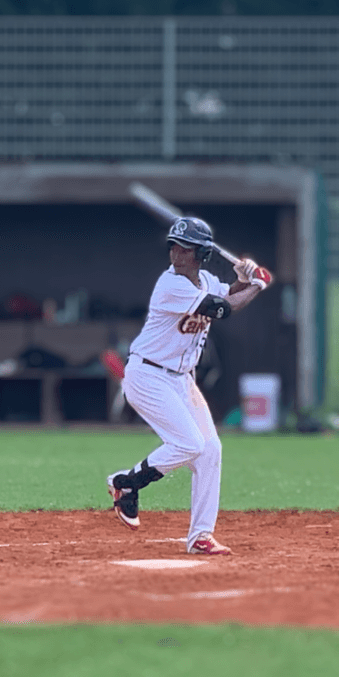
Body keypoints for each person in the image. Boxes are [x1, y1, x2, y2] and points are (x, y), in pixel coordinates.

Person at [106, 216, 272, 556]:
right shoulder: (171, 286)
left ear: (203, 254)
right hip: (148, 376)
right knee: (189, 444)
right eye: (174, 247)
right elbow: (224, 309)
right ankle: (127, 483)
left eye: (185, 249)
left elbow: (228, 294)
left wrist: (245, 278)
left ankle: (200, 536)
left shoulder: (208, 280)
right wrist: (259, 285)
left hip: (181, 380)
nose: (177, 254)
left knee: (210, 451)